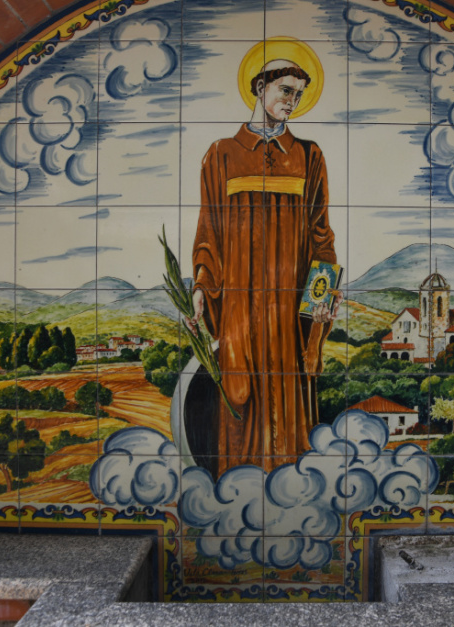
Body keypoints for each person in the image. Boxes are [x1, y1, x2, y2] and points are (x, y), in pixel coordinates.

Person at [188, 55, 341, 474]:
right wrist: (202, 289)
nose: (292, 101)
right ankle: (236, 493)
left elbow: (321, 236)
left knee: (288, 400)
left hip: (290, 311)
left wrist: (320, 303)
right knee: (240, 394)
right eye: (285, 91)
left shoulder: (309, 156)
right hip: (238, 305)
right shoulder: (220, 155)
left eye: (298, 94)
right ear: (260, 88)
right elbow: (208, 233)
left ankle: (292, 492)